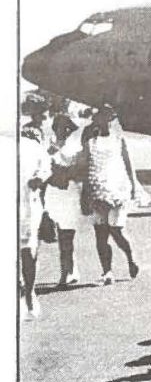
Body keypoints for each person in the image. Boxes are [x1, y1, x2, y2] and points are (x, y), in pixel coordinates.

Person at [81, 104, 140, 285]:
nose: (104, 121)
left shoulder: (119, 140)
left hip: (117, 188)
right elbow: (85, 168)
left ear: (111, 119)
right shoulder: (90, 142)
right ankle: (107, 271)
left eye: (107, 117)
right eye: (100, 117)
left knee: (117, 230)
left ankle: (131, 257)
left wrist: (133, 186)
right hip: (97, 188)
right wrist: (85, 192)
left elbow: (129, 164)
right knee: (101, 232)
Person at [47, 112, 89, 288]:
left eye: (66, 128)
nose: (62, 131)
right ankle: (70, 270)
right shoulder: (48, 146)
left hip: (69, 192)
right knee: (60, 234)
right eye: (58, 127)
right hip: (54, 193)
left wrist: (63, 172)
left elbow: (79, 171)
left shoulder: (73, 148)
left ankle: (67, 273)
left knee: (67, 234)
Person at [20, 114, 52, 318]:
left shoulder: (31, 146)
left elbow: (45, 168)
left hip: (26, 207)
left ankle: (30, 293)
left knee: (28, 252)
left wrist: (39, 178)